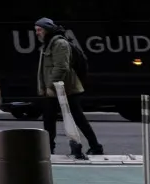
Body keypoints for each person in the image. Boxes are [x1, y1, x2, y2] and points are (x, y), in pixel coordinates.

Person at [35, 17, 103, 157]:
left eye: (40, 30)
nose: (37, 33)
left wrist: (50, 86)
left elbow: (61, 67)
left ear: (47, 30)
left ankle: (96, 146)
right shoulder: (47, 44)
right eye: (36, 30)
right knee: (49, 118)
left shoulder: (59, 44)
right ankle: (49, 148)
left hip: (66, 89)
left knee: (77, 118)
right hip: (55, 89)